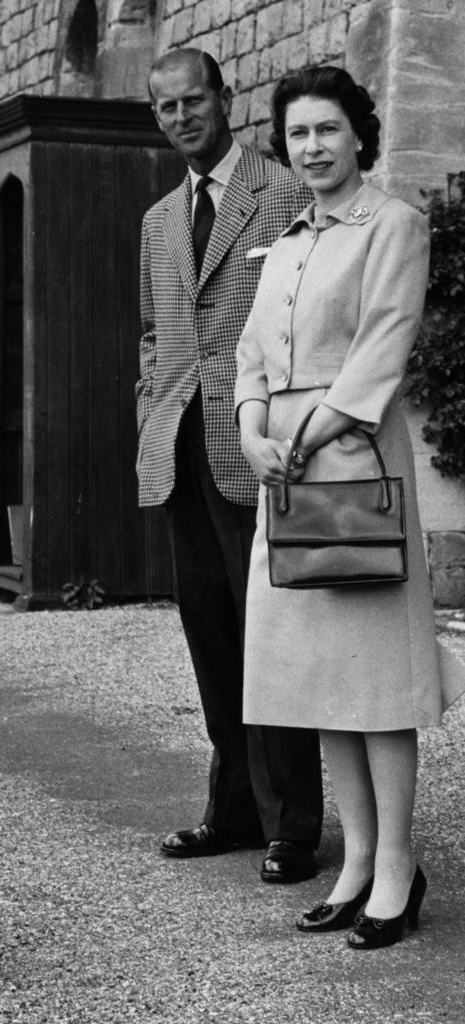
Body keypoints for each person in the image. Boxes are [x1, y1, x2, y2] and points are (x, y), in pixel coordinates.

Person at [235, 65, 456, 948]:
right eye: (297, 134)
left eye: (328, 129)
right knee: (323, 680)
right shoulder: (284, 242)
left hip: (353, 461)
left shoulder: (393, 224)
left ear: (360, 134)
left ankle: (398, 867)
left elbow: (382, 346)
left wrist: (313, 431)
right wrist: (254, 428)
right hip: (284, 474)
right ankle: (358, 862)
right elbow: (252, 352)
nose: (314, 147)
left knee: (378, 681)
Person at [136, 47, 323, 883]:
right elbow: (155, 334)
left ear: (225, 97)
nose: (182, 117)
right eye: (167, 108)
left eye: (193, 101)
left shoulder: (284, 192)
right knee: (211, 636)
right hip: (181, 451)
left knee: (273, 639)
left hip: (259, 449)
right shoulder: (158, 220)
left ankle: (294, 825)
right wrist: (151, 405)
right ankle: (235, 811)